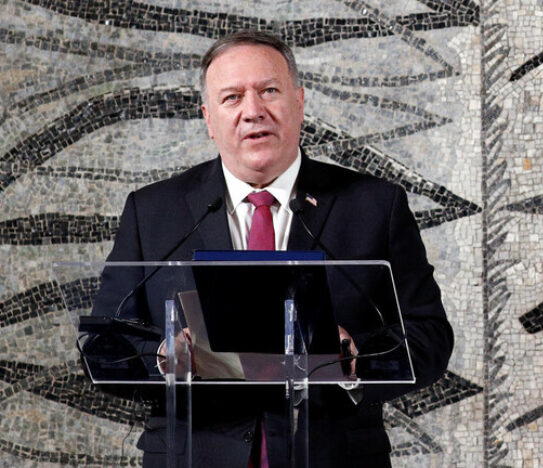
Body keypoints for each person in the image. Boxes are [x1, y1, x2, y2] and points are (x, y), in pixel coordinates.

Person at [91, 30, 453, 468]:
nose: (252, 111)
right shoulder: (152, 211)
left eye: (269, 91)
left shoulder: (375, 205)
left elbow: (430, 338)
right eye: (232, 98)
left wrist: (355, 359)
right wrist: (164, 358)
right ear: (208, 119)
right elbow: (104, 345)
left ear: (299, 102)